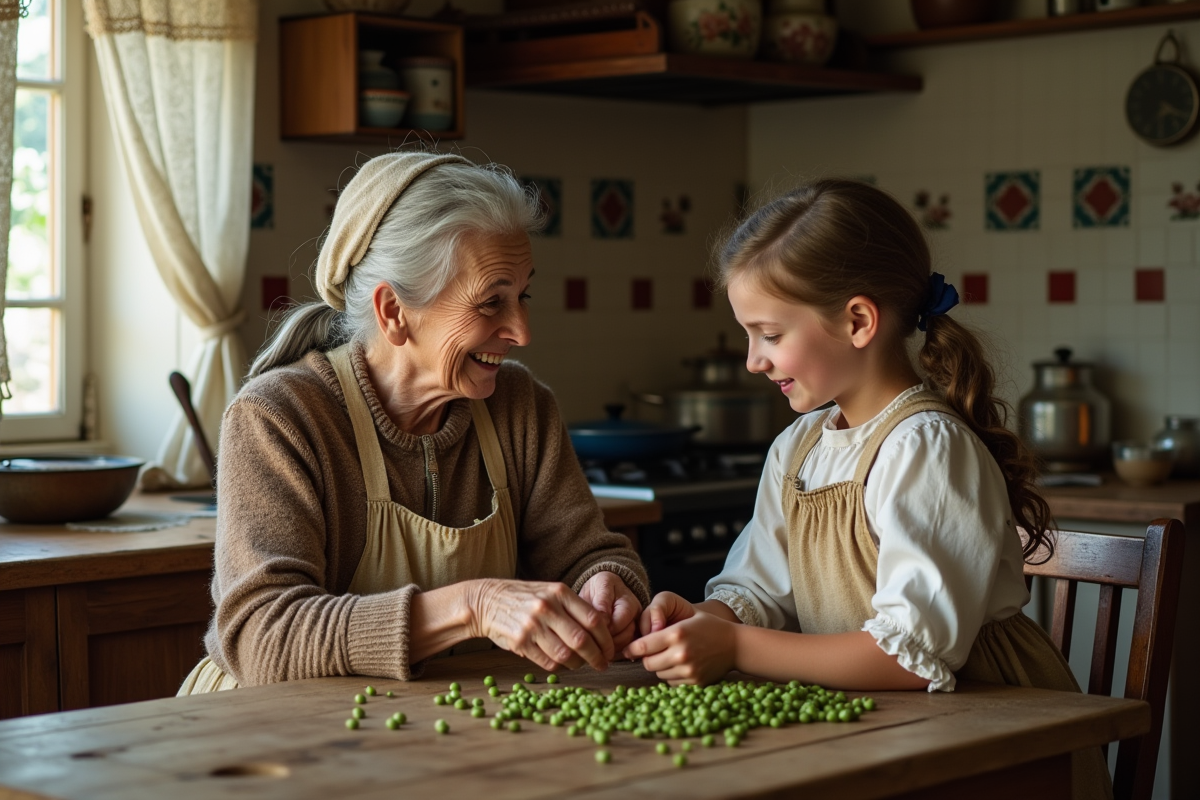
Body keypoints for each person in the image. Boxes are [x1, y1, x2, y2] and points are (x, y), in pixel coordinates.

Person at [623, 179, 1110, 799]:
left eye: (770, 335)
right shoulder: (798, 447)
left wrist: (736, 645)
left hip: (992, 736)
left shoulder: (926, 448)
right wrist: (704, 619)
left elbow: (909, 656)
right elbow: (756, 588)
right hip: (877, 729)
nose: (753, 359)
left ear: (857, 321)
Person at [179, 152, 649, 693]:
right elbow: (262, 637)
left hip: (442, 728)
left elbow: (589, 554)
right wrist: (472, 606)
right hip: (278, 738)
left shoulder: (520, 406)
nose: (521, 331)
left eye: (522, 296)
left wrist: (608, 587)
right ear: (393, 313)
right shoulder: (280, 418)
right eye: (491, 303)